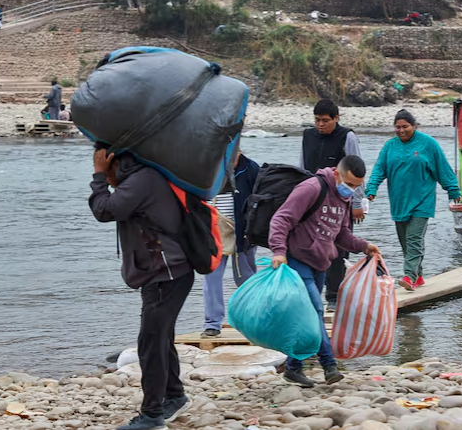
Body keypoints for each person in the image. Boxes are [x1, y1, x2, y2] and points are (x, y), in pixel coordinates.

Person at [89, 146, 194, 430]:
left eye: (102, 164)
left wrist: (98, 177)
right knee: (160, 338)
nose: (105, 177)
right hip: (167, 272)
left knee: (150, 344)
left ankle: (152, 415)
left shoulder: (141, 180)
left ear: (113, 161)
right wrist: (105, 176)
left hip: (165, 273)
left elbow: (105, 210)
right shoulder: (143, 177)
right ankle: (174, 396)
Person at [269, 155, 381, 387]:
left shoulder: (345, 198)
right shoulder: (311, 188)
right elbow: (281, 219)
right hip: (297, 260)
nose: (351, 190)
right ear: (337, 173)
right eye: (349, 184)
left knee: (305, 318)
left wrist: (364, 246)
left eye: (356, 186)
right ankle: (329, 365)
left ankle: (293, 368)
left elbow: (342, 235)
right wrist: (278, 251)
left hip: (321, 264)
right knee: (315, 311)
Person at [365, 110, 462, 291]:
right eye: (398, 127)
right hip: (399, 202)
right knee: (405, 242)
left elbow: (442, 167)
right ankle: (419, 276)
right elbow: (379, 168)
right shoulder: (390, 147)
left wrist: (453, 189)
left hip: (422, 201)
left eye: (405, 127)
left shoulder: (428, 144)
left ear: (414, 126)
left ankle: (409, 276)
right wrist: (371, 188)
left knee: (414, 239)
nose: (401, 130)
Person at [299, 99, 365, 310]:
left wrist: (357, 203)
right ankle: (313, 295)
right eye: (317, 120)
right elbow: (301, 168)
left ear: (336, 118)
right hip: (312, 201)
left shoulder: (347, 136)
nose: (321, 124)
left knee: (337, 249)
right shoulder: (308, 136)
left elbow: (357, 170)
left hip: (340, 202)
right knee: (311, 247)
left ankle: (335, 297)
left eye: (325, 121)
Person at [202, 151, 260, 338]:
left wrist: (252, 229)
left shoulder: (250, 168)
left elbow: (260, 200)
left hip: (243, 231)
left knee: (245, 277)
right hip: (213, 229)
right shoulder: (206, 166)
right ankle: (212, 323)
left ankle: (253, 320)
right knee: (212, 278)